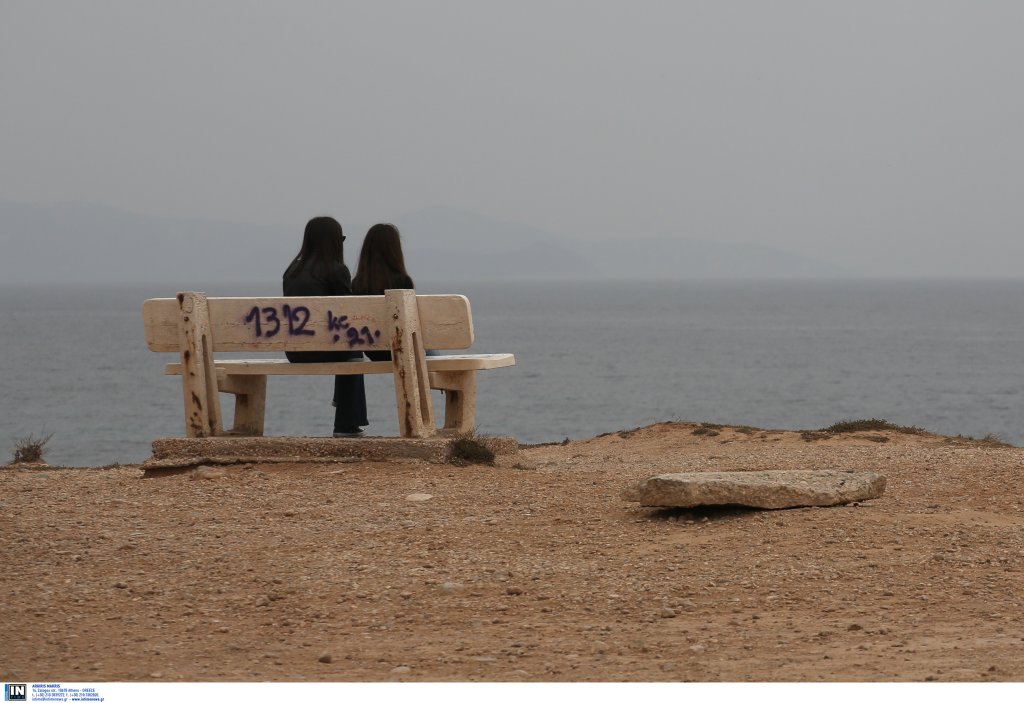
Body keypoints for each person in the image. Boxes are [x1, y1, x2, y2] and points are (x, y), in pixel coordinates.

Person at [283, 216, 367, 437]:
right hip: (323, 348)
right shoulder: (337, 270)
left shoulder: (291, 272)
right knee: (354, 353)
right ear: (334, 242)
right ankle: (346, 424)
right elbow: (347, 316)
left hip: (295, 351)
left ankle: (342, 405)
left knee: (348, 349)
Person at [352, 223, 427, 362]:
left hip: (372, 351)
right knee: (431, 351)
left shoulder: (357, 284)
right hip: (400, 349)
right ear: (395, 251)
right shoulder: (403, 281)